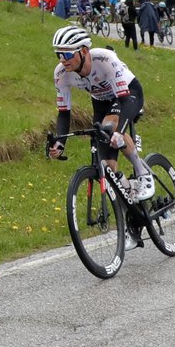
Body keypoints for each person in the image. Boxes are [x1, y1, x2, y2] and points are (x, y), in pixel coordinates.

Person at [48, 26, 155, 249]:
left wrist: (118, 132)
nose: (63, 59)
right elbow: (64, 112)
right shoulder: (61, 74)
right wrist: (60, 142)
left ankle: (144, 173)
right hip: (101, 102)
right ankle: (132, 220)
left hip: (128, 94)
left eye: (67, 54)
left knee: (110, 126)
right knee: (108, 167)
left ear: (84, 51)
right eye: (59, 54)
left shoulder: (104, 59)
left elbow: (124, 101)